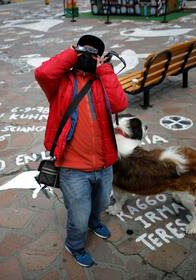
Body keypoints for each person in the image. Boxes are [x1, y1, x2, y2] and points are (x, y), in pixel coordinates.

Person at [34, 35, 128, 267]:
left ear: (100, 58)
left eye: (94, 53)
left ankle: (95, 223)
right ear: (76, 52)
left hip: (104, 163)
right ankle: (75, 245)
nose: (88, 55)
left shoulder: (103, 80)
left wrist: (105, 69)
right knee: (78, 215)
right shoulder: (62, 82)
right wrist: (72, 54)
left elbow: (119, 104)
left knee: (100, 205)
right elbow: (43, 73)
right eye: (84, 50)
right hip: (73, 167)